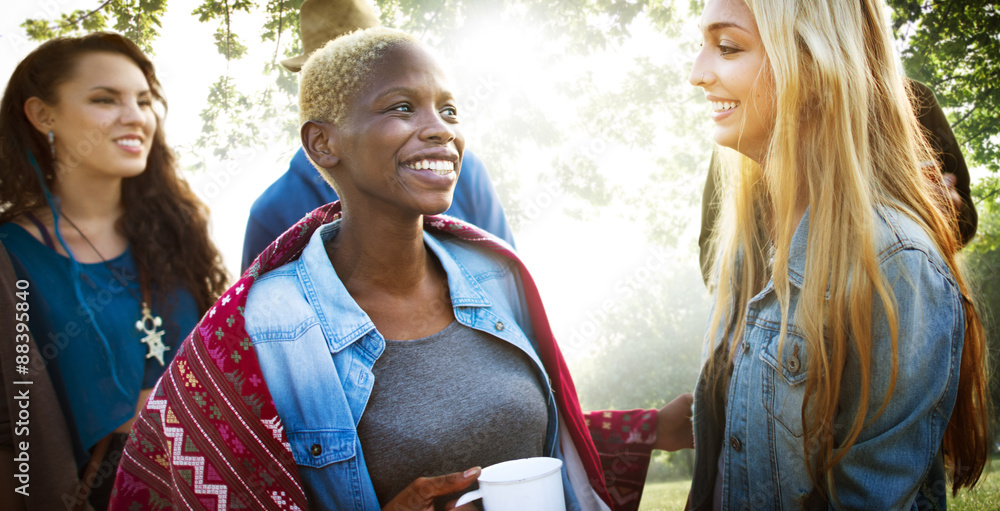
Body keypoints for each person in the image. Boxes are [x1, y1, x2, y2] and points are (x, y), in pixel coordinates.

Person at [111, 27, 694, 511]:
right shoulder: (260, 327)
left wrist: (650, 429)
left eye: (448, 109)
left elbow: (540, 443)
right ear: (323, 144)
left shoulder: (496, 275)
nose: (441, 127)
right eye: (400, 107)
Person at [687, 0, 989, 509]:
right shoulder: (738, 203)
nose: (697, 74)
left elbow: (953, 225)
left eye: (728, 47)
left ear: (813, 59)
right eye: (702, 45)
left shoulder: (897, 260)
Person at [0, 33, 228, 510]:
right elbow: (14, 432)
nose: (134, 116)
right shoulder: (10, 257)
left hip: (214, 482)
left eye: (143, 101)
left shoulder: (178, 231)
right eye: (105, 99)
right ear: (43, 115)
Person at [241, 0, 515, 273]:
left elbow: (509, 281)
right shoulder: (273, 212)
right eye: (401, 107)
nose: (440, 130)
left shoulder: (463, 174)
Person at [697, 80, 979, 285]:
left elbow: (964, 218)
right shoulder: (743, 125)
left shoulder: (914, 101)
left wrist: (943, 211)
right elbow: (712, 258)